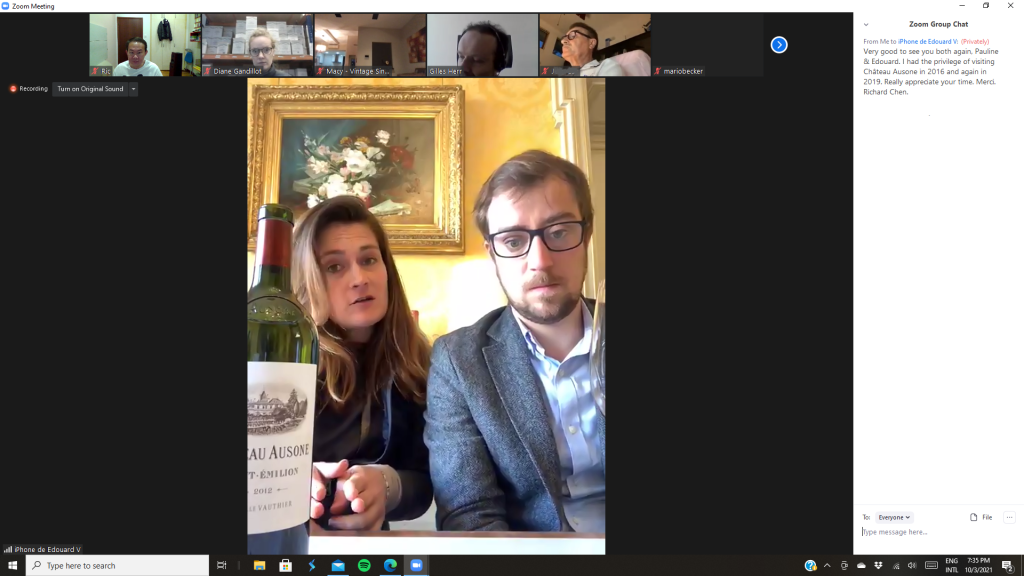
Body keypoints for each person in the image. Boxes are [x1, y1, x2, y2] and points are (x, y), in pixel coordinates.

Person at [425, 150, 605, 532]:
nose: (540, 261)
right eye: (512, 241)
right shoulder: (458, 363)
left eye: (559, 232)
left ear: (586, 235)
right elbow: (470, 515)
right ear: (493, 254)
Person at [293, 195, 433, 531]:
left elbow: (425, 483)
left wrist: (386, 485)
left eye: (369, 259)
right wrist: (287, 484)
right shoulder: (280, 359)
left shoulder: (417, 361)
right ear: (307, 281)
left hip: (369, 548)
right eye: (334, 267)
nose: (359, 278)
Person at [558, 22, 624, 77]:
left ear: (591, 43)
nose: (563, 41)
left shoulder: (607, 67)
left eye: (572, 35)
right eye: (564, 37)